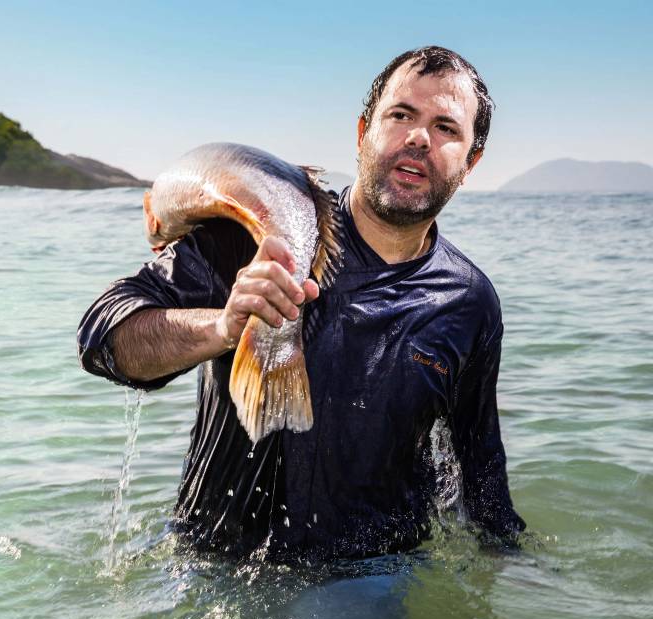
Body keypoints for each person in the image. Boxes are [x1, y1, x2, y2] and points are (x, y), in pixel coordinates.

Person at [77, 46, 526, 561]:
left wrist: (515, 573)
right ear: (363, 134)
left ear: (471, 163)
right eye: (401, 115)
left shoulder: (468, 301)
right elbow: (103, 340)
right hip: (216, 562)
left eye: (446, 128)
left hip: (372, 574)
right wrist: (223, 327)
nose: (419, 137)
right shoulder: (256, 235)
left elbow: (479, 466)